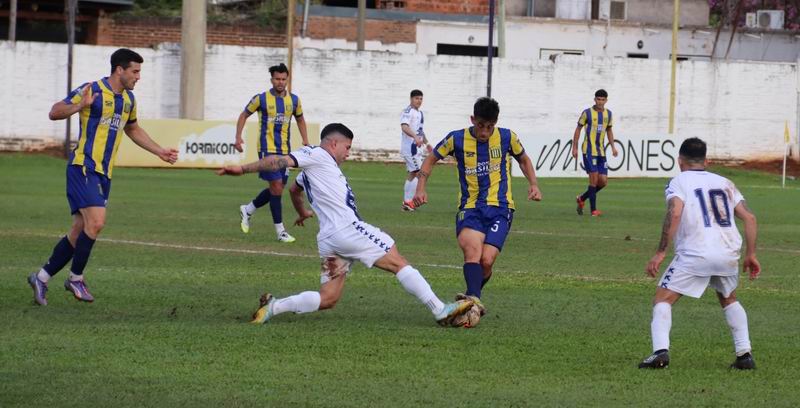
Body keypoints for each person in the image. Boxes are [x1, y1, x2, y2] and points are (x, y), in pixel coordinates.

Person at [217, 123, 474, 326]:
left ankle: (274, 307)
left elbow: (295, 190)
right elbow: (279, 161)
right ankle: (439, 309)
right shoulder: (316, 154)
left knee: (328, 298)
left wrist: (303, 211)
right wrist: (242, 169)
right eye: (347, 147)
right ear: (334, 143)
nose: (348, 153)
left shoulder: (317, 168)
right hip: (347, 229)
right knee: (397, 259)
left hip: (329, 238)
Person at [27, 48, 179, 305]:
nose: (138, 77)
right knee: (96, 222)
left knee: (79, 231)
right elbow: (54, 112)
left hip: (104, 173)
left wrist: (159, 151)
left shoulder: (128, 100)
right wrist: (79, 105)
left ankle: (41, 278)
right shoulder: (91, 89)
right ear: (119, 69)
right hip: (83, 166)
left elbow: (132, 129)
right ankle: (75, 278)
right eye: (135, 71)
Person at [638, 137, 761, 370]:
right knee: (729, 299)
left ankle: (660, 353)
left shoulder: (679, 181)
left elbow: (675, 213)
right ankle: (745, 355)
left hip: (696, 253)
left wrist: (661, 252)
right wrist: (751, 254)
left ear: (679, 160)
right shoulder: (725, 182)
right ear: (706, 160)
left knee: (663, 299)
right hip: (728, 252)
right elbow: (750, 218)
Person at [413, 97, 542, 311]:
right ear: (473, 120)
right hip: (470, 208)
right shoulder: (457, 139)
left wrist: (533, 184)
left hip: (501, 207)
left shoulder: (507, 137)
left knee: (487, 261)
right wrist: (420, 188)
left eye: (490, 127)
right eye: (481, 125)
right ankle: (472, 301)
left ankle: (470, 299)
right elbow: (431, 159)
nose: (484, 132)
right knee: (472, 252)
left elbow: (524, 159)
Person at [235, 63, 309, 242]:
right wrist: (238, 137)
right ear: (272, 79)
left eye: (284, 79)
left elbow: (300, 119)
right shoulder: (260, 99)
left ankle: (248, 209)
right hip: (266, 150)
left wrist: (305, 140)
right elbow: (244, 115)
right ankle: (280, 231)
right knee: (276, 186)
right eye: (277, 79)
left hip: (284, 151)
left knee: (277, 188)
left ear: (287, 80)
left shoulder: (294, 100)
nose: (280, 82)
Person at [571, 89, 618, 217]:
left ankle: (582, 198)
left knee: (603, 181)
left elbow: (609, 131)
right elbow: (578, 129)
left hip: (601, 152)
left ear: (606, 100)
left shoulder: (609, 114)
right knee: (594, 179)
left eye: (603, 100)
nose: (600, 102)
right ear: (595, 99)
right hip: (588, 150)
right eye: (598, 99)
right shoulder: (587, 113)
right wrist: (574, 147)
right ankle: (593, 210)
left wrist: (613, 147)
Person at [399, 89, 431, 211]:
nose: (419, 101)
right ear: (411, 99)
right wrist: (415, 137)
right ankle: (408, 203)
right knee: (420, 173)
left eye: (421, 98)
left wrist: (427, 144)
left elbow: (420, 131)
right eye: (417, 98)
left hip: (417, 148)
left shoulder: (420, 113)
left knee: (413, 173)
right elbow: (404, 126)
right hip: (410, 148)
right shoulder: (408, 111)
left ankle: (407, 202)